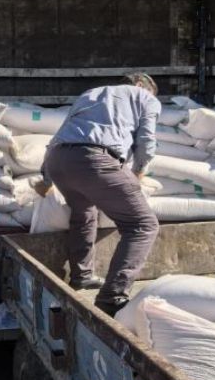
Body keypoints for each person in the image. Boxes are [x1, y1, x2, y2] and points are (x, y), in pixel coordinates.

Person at [37, 72, 161, 316]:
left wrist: (46, 176)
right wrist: (138, 171)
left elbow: (59, 134)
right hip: (96, 159)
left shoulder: (90, 94)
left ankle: (82, 276)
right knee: (142, 225)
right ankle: (111, 298)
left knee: (83, 212)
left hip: (59, 159)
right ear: (140, 85)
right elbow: (146, 139)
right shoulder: (145, 97)